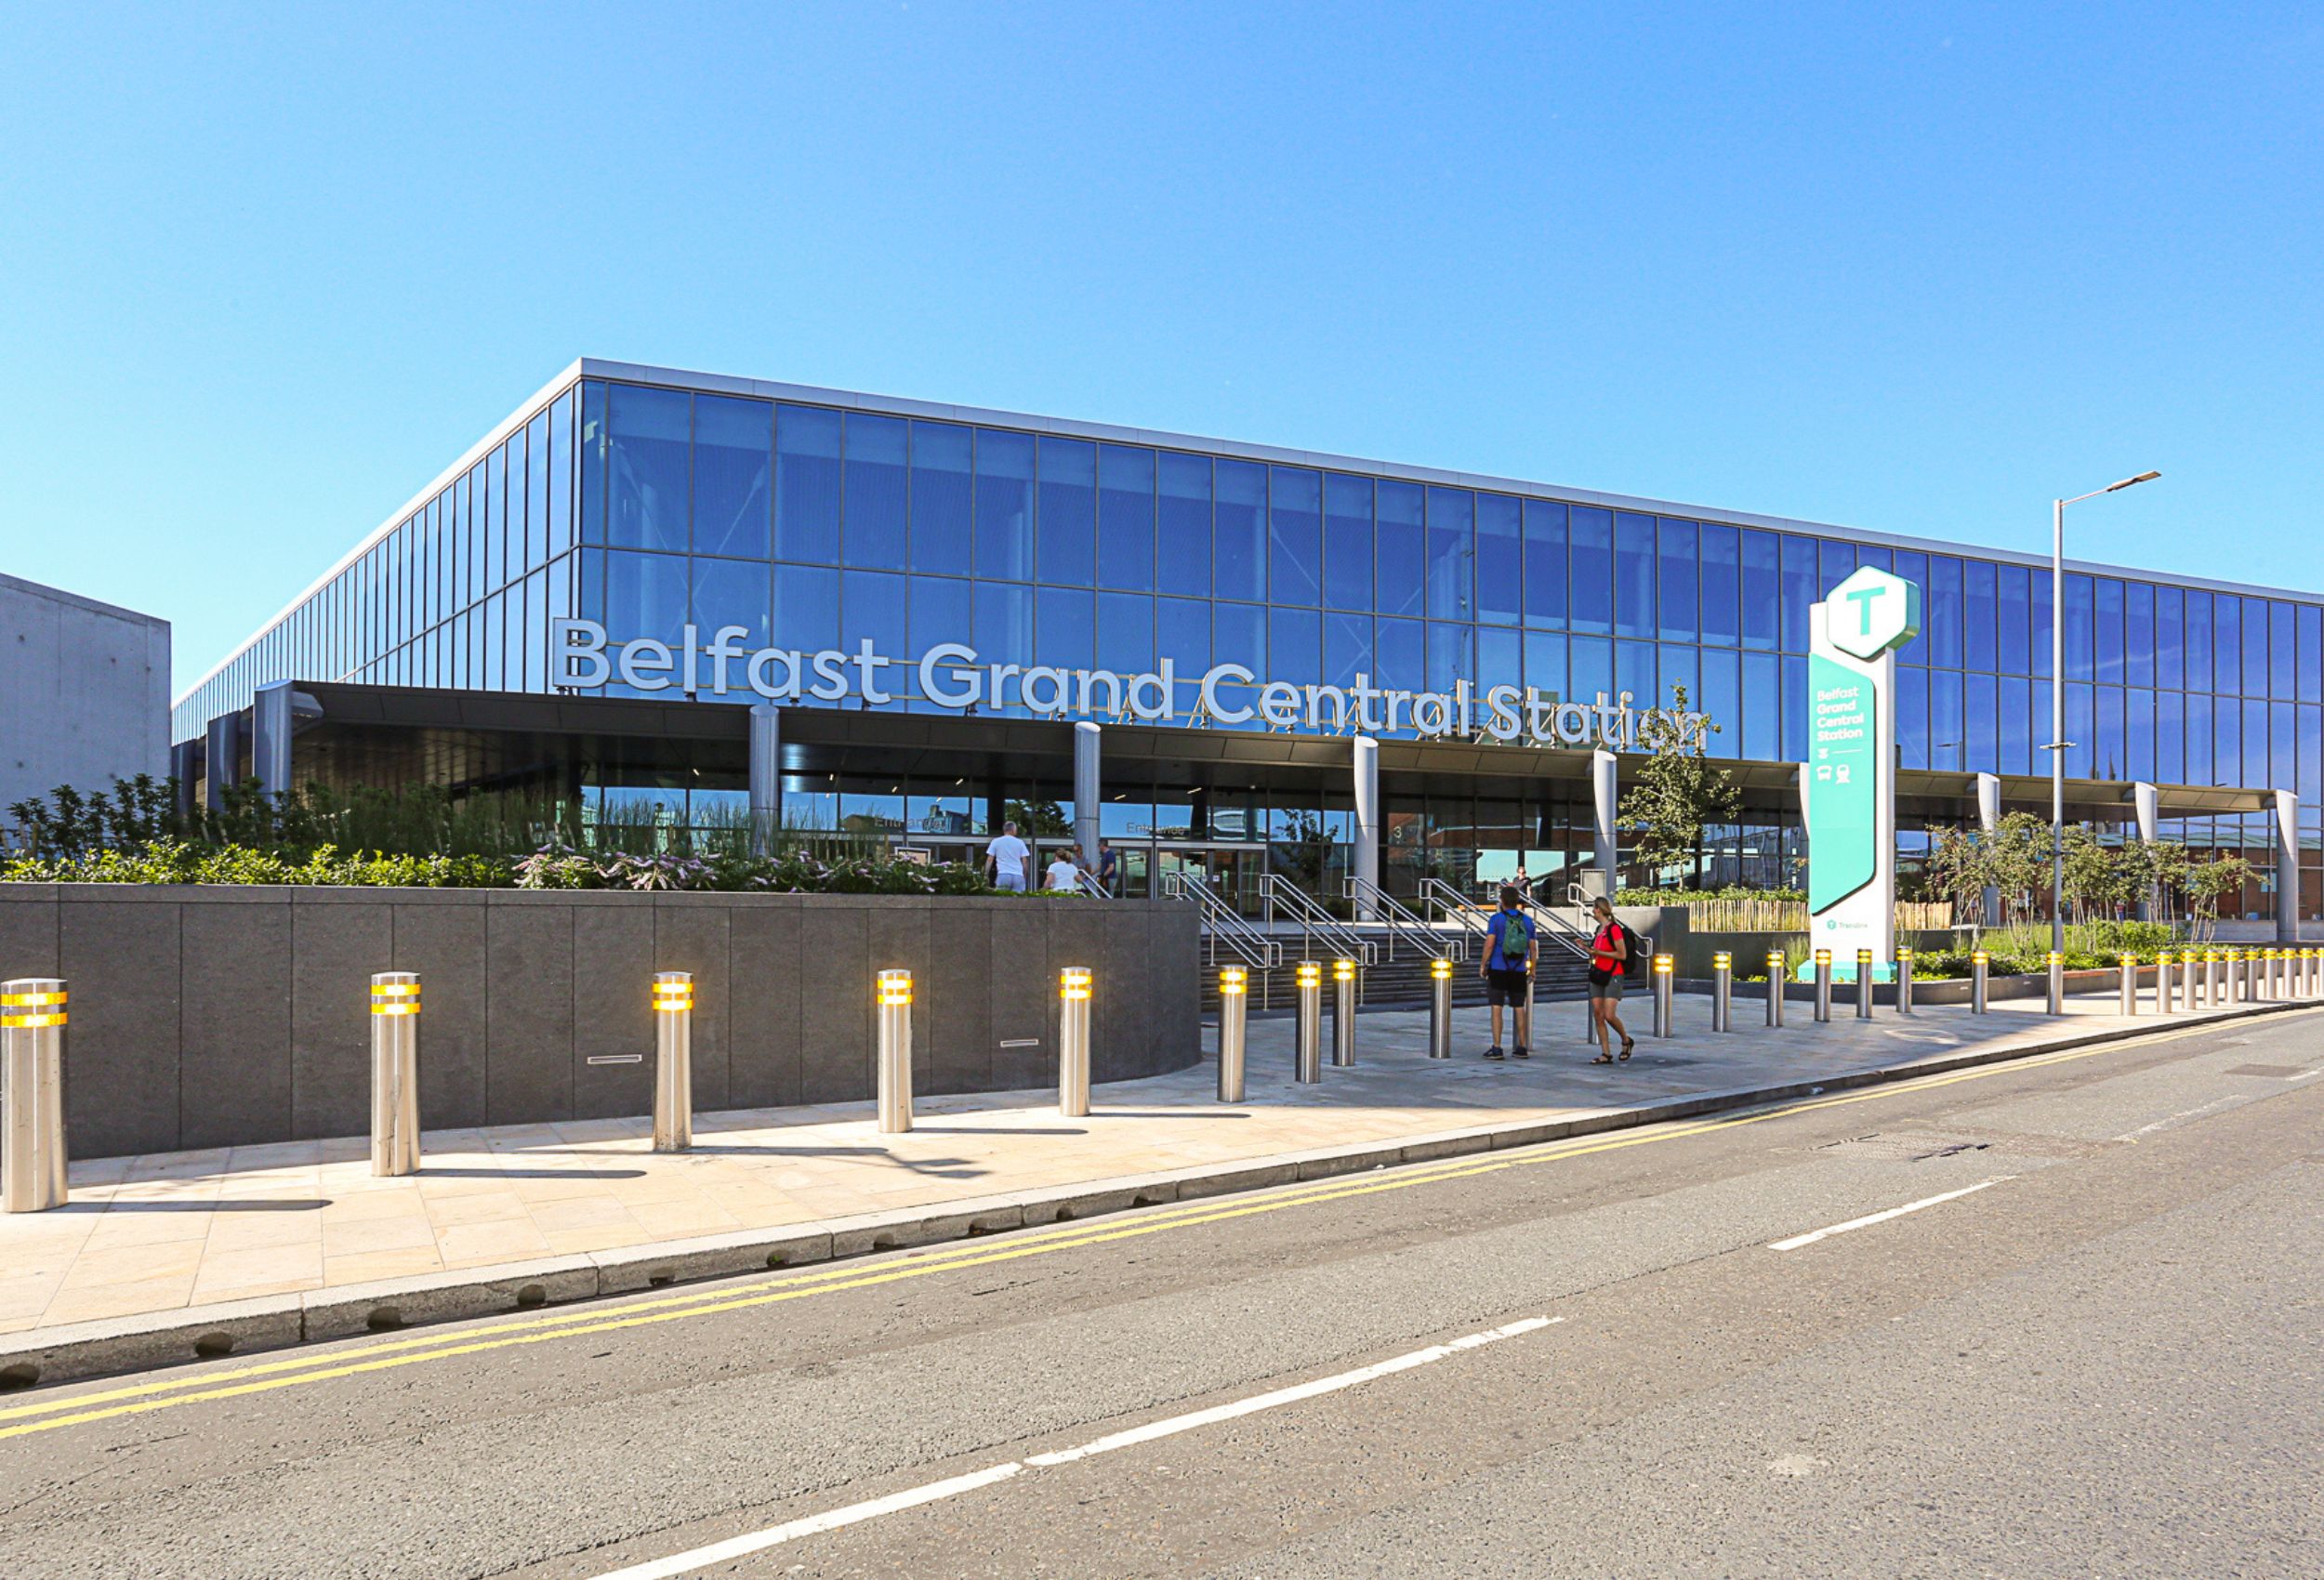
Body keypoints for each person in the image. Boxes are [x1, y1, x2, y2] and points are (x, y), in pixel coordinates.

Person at [1479, 885, 1536, 1060]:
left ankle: (1497, 1047)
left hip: (1498, 967)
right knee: (1519, 1007)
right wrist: (1533, 969)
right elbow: (1533, 948)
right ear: (1517, 901)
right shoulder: (1527, 921)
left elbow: (1490, 944)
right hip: (1519, 968)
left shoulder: (1496, 920)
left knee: (1497, 1007)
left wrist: (1483, 964)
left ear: (1502, 901)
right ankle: (1521, 1047)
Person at [1586, 896, 1635, 1062]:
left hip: (1613, 973)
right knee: (1598, 1014)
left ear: (1599, 910)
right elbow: (1596, 952)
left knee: (1609, 1014)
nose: (1593, 911)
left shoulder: (1613, 929)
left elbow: (1622, 954)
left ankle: (1626, 1040)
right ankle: (1606, 1053)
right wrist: (1587, 949)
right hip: (1598, 973)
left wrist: (1598, 953)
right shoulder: (1599, 930)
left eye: (1594, 908)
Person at [985, 821, 1031, 892]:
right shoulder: (1020, 842)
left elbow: (990, 859)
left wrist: (986, 874)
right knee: (1019, 898)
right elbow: (1025, 861)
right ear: (1013, 830)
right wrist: (1024, 875)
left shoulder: (996, 841)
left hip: (1003, 874)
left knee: (1002, 897)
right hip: (1018, 875)